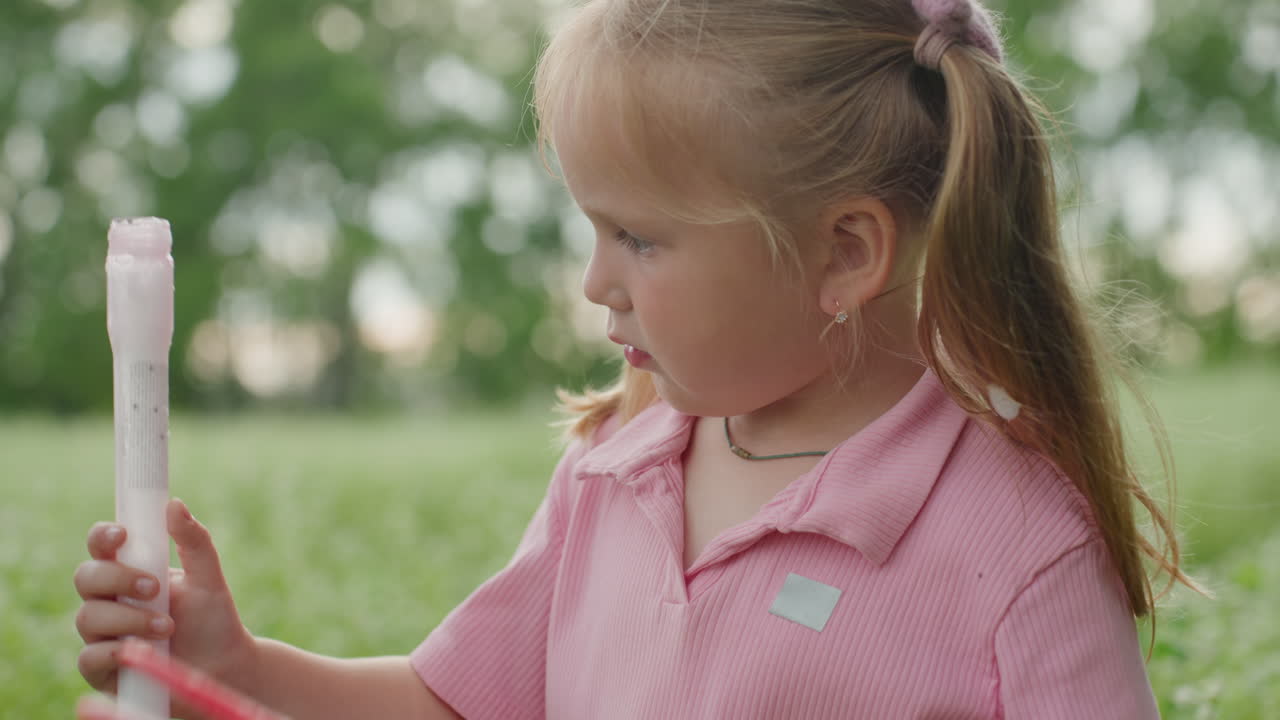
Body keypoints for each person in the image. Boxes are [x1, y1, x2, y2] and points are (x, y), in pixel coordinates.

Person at [73, 0, 1198, 717]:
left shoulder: (1018, 541)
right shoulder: (620, 465)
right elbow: (451, 702)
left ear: (844, 253)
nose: (594, 282)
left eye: (639, 238)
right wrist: (238, 667)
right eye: (594, 230)